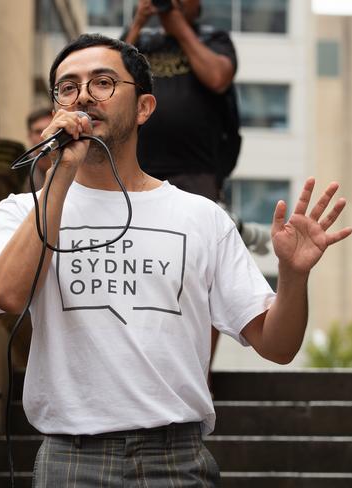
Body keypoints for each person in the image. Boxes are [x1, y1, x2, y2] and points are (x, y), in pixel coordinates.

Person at [0, 33, 352, 487]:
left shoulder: (202, 217)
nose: (83, 96)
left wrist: (294, 277)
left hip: (176, 458)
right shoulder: (24, 211)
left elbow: (277, 346)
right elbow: (7, 295)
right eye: (68, 87)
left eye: (103, 82)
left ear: (144, 108)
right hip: (71, 458)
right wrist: (61, 171)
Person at [124, 0, 240, 365]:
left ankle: (198, 367)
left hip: (197, 171)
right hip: (135, 171)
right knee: (139, 267)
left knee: (199, 272)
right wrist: (139, 22)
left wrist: (179, 29)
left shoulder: (213, 38)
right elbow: (109, 81)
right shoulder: (137, 45)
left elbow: (218, 77)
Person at [24, 107, 54, 191]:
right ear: (30, 136)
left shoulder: (70, 161)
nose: (43, 136)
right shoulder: (22, 167)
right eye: (38, 132)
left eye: (49, 129)